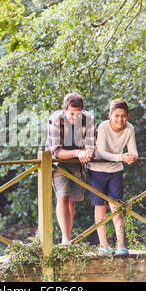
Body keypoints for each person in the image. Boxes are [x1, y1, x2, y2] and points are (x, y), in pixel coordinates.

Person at [87, 98, 138, 255]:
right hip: (97, 170)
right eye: (116, 115)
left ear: (127, 116)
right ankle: (103, 245)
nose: (120, 120)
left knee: (117, 207)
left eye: (123, 116)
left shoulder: (129, 128)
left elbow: (134, 150)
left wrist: (132, 157)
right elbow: (101, 152)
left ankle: (121, 244)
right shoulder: (103, 127)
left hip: (115, 171)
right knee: (100, 206)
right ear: (110, 115)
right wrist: (121, 157)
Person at [46, 92, 96, 244]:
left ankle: (68, 237)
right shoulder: (54, 120)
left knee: (72, 200)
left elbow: (91, 146)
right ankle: (65, 240)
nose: (75, 118)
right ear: (64, 109)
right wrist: (77, 152)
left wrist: (88, 153)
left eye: (78, 114)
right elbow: (56, 152)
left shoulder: (89, 119)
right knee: (62, 197)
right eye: (71, 114)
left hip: (77, 162)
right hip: (58, 162)